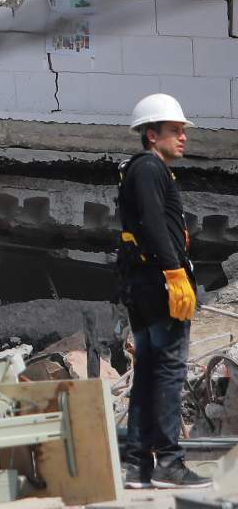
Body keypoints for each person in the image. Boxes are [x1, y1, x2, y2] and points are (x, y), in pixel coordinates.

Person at [117, 93, 209, 489]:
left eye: (183, 130)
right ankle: (169, 463)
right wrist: (174, 273)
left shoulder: (144, 170)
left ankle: (138, 465)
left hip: (143, 282)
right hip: (158, 285)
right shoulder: (150, 170)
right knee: (169, 372)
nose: (183, 137)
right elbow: (154, 223)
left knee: (151, 372)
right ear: (152, 135)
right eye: (175, 130)